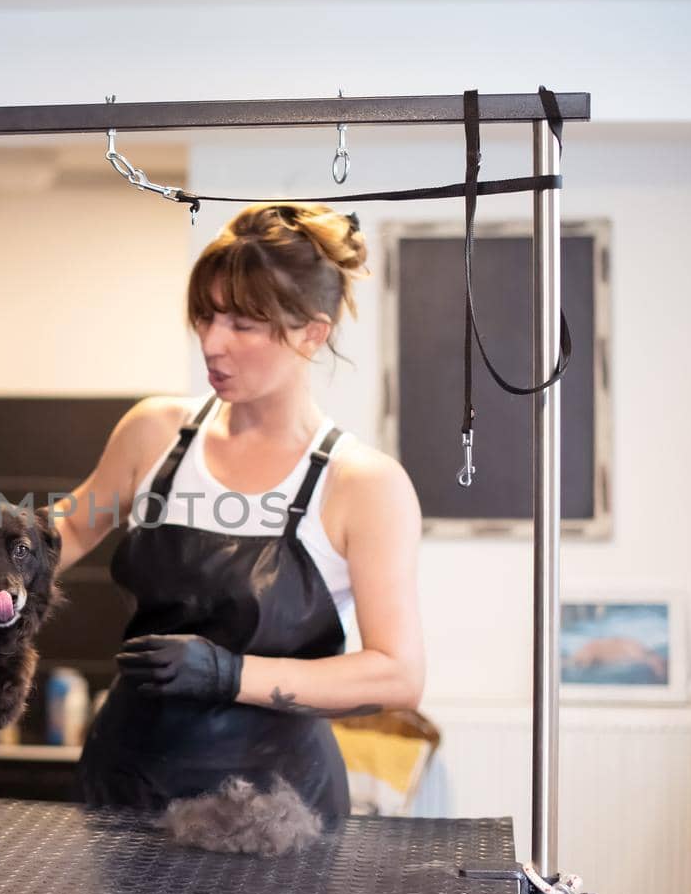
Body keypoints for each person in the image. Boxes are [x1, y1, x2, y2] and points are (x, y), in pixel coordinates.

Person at [56, 202, 426, 820]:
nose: (211, 342)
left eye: (242, 324)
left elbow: (397, 675)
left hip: (278, 811)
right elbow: (67, 528)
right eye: (205, 316)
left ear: (313, 330)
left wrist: (230, 674)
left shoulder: (363, 484)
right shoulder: (156, 433)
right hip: (125, 786)